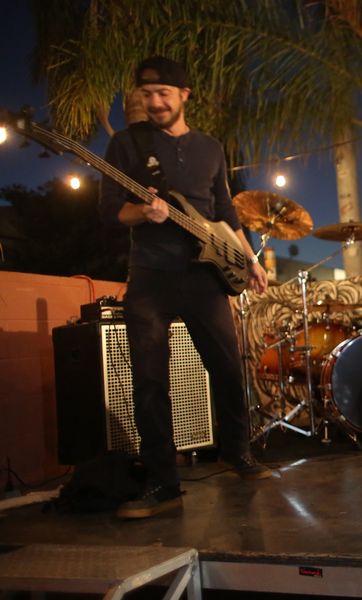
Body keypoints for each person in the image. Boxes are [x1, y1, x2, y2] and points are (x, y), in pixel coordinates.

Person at [100, 57, 271, 519]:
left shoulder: (210, 148)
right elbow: (110, 210)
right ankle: (162, 482)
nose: (154, 102)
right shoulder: (126, 144)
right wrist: (143, 212)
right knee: (149, 379)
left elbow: (224, 212)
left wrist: (250, 259)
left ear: (184, 95)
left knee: (228, 367)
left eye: (163, 94)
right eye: (147, 94)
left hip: (205, 275)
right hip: (151, 273)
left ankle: (238, 453)